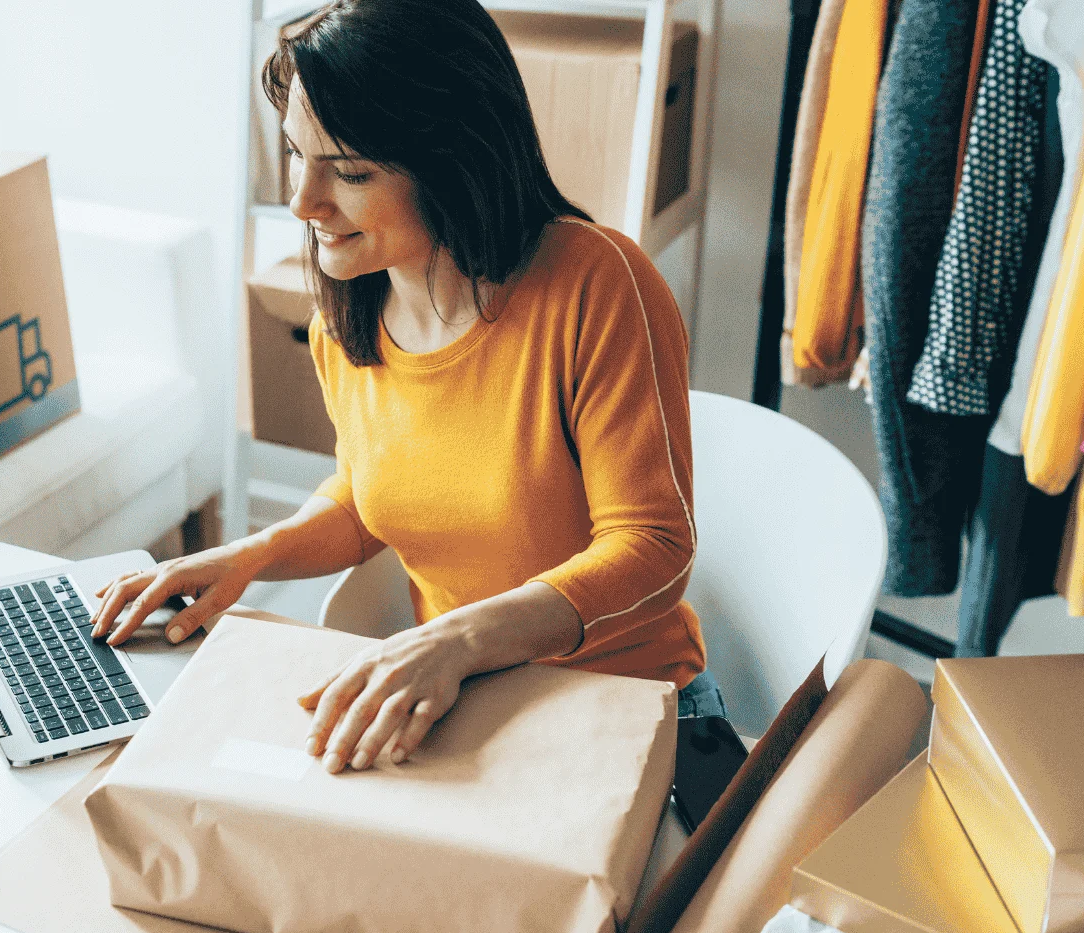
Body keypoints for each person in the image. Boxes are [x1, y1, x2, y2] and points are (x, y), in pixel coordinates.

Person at [92, 0, 718, 773]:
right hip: (466, 701)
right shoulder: (346, 314)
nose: (303, 202)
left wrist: (452, 641)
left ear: (455, 160)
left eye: (349, 171)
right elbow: (369, 498)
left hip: (627, 706)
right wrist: (248, 557)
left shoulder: (597, 286)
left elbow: (654, 549)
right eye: (296, 155)